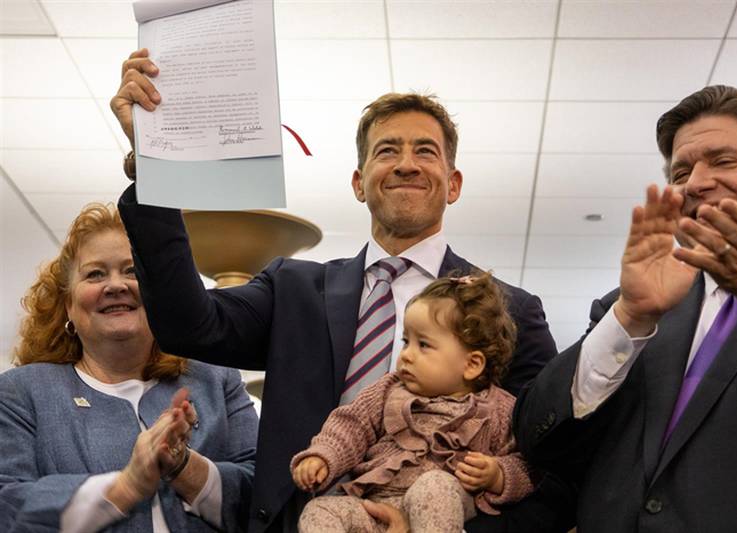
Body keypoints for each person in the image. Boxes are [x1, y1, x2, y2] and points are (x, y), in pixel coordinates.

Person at [109, 49, 567, 532]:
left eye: (425, 151)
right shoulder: (293, 288)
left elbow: (551, 470)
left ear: (452, 184)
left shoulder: (507, 310)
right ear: (358, 182)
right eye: (387, 150)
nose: (406, 164)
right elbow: (188, 325)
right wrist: (154, 161)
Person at [514, 85, 737, 532]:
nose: (696, 183)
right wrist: (630, 317)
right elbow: (539, 440)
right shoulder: (636, 304)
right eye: (681, 171)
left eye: (723, 161)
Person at [0, 203, 258, 532]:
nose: (116, 285)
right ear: (67, 306)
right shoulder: (21, 393)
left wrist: (183, 465)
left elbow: (265, 494)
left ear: (160, 295)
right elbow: (6, 505)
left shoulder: (215, 377)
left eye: (132, 271)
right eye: (95, 274)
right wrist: (126, 487)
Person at [291, 273, 535, 532]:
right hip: (374, 508)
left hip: (442, 507)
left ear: (472, 364)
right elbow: (350, 427)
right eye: (406, 342)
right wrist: (324, 457)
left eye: (424, 345)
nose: (406, 355)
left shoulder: (500, 409)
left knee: (433, 487)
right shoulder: (388, 390)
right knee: (320, 510)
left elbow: (527, 466)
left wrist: (498, 475)